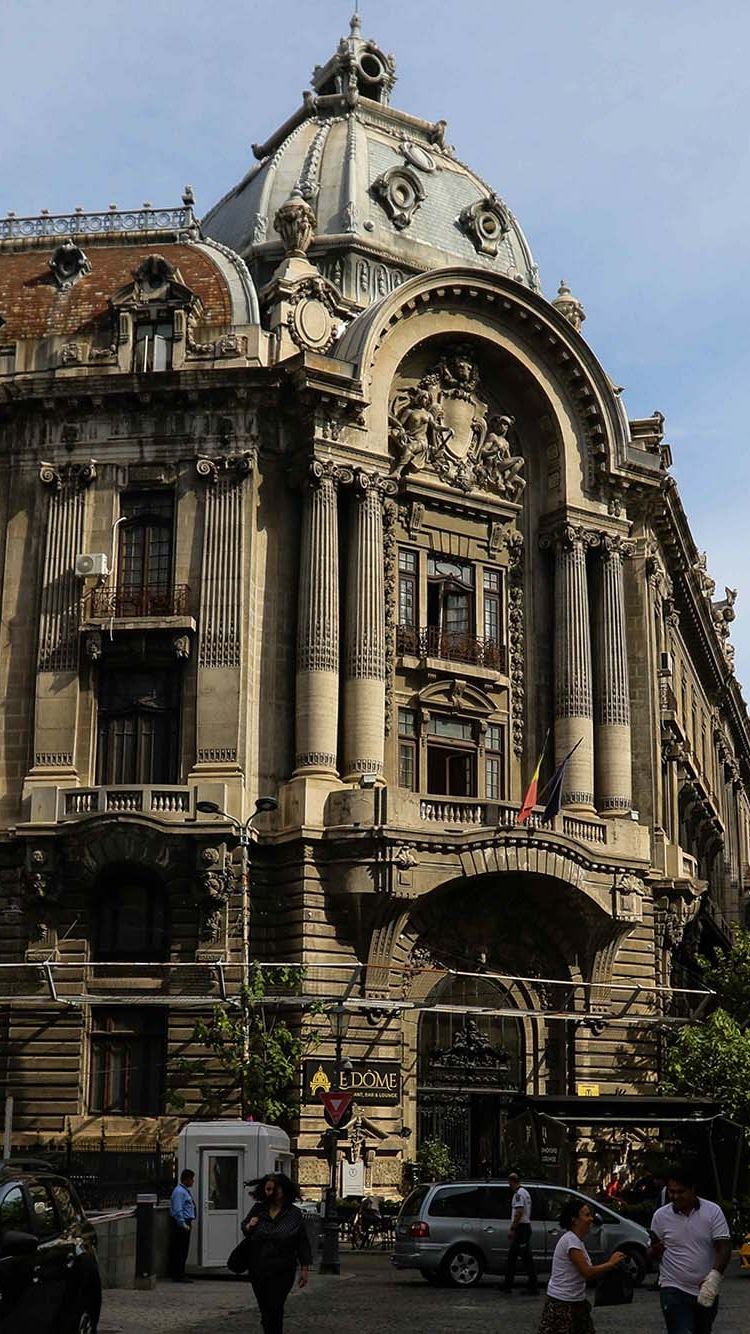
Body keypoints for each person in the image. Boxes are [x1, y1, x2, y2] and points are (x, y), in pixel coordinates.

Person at [650, 1164, 732, 1334]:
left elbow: (723, 1248)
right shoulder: (660, 1216)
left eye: (681, 1192)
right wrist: (654, 1252)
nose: (675, 1196)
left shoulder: (712, 1212)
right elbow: (651, 1253)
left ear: (693, 1190)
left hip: (705, 1289)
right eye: (671, 1192)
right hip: (673, 1288)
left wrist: (713, 1279)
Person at [537, 1198, 625, 1334]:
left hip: (576, 1303)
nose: (591, 1219)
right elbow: (587, 1272)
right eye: (587, 1215)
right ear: (574, 1220)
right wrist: (610, 1264)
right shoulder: (571, 1241)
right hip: (562, 1304)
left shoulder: (576, 1241)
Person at [241, 1172, 311, 1334]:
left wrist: (305, 1268)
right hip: (259, 1267)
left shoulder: (293, 1214)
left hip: (282, 1269)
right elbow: (245, 1228)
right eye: (267, 1190)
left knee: (275, 1305)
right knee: (265, 1308)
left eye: (273, 1190)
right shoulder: (259, 1209)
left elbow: (302, 1242)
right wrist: (249, 1225)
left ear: (283, 1190)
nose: (270, 1193)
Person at [502, 1171, 539, 1294]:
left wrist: (513, 1228)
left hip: (521, 1229)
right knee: (512, 1258)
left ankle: (533, 1286)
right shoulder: (525, 1192)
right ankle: (508, 1284)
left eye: (509, 1183)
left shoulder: (518, 1194)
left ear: (512, 1182)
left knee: (526, 1259)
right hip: (523, 1228)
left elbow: (519, 1212)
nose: (509, 1186)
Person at [168, 1168, 196, 1282]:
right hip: (181, 1224)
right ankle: (178, 1274)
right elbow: (178, 1209)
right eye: (192, 1179)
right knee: (180, 1249)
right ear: (187, 1179)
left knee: (183, 1249)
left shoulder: (183, 1191)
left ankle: (180, 1273)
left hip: (185, 1222)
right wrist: (183, 1224)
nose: (193, 1182)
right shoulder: (179, 1192)